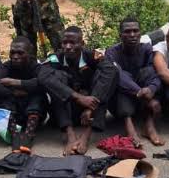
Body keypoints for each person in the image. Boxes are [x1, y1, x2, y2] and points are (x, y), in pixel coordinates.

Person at [38, 26, 118, 156]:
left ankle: (86, 135)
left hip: (89, 111)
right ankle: (70, 136)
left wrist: (90, 106)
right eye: (65, 43)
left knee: (106, 77)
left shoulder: (92, 56)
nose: (68, 47)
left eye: (73, 43)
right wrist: (77, 97)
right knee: (56, 78)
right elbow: (42, 75)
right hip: (65, 109)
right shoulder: (55, 58)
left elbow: (111, 70)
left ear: (82, 44)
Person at [106, 17, 164, 147]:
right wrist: (141, 93)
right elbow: (119, 76)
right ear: (120, 35)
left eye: (135, 31)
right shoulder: (112, 52)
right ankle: (129, 128)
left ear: (140, 33)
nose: (132, 35)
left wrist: (151, 89)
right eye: (127, 32)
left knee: (149, 71)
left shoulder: (147, 49)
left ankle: (149, 125)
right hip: (121, 105)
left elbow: (157, 73)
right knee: (119, 76)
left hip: (143, 102)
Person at [0, 37, 47, 153]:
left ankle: (28, 135)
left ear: (30, 54)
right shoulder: (6, 66)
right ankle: (15, 136)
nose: (15, 56)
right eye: (12, 52)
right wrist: (13, 92)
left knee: (38, 97)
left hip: (34, 114)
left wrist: (16, 82)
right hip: (13, 113)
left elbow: (45, 82)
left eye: (20, 53)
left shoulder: (37, 67)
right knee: (2, 99)